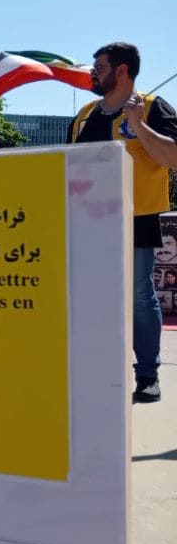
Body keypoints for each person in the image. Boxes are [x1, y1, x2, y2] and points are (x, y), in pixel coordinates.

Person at [69, 42, 177, 404]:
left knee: (140, 296)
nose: (92, 73)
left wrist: (138, 126)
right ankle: (97, 371)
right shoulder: (84, 115)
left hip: (137, 216)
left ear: (122, 70)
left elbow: (172, 157)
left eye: (99, 67)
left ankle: (147, 375)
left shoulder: (152, 106)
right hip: (87, 221)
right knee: (90, 298)